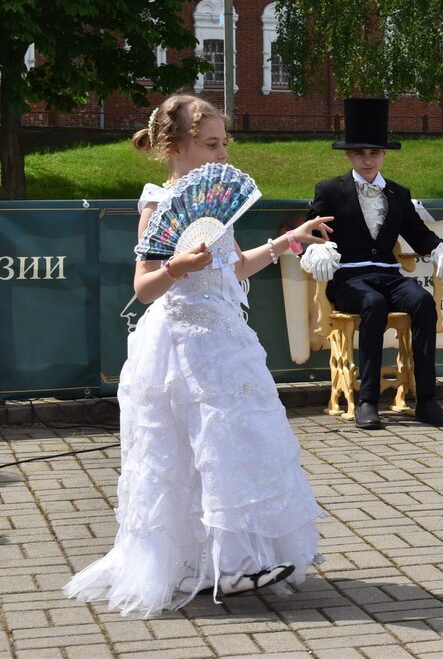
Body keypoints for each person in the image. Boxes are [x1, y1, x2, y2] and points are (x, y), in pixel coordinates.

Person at [65, 95, 332, 618]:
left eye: (225, 143)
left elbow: (232, 269)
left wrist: (289, 240)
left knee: (242, 445)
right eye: (211, 144)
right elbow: (143, 288)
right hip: (181, 348)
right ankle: (220, 565)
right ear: (175, 146)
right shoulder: (159, 204)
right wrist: (178, 266)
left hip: (227, 343)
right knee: (196, 453)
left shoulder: (217, 203)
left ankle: (235, 561)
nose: (222, 154)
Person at [301, 98, 443, 429]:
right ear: (349, 156)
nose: (367, 159)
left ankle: (427, 401)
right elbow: (311, 233)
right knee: (372, 304)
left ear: (384, 155)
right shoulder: (330, 190)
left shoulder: (398, 194)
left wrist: (441, 248)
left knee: (423, 302)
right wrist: (316, 251)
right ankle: (367, 401)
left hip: (389, 275)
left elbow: (418, 235)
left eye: (374, 152)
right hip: (349, 280)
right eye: (360, 153)